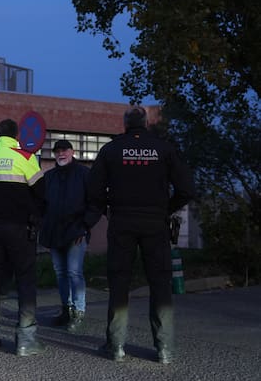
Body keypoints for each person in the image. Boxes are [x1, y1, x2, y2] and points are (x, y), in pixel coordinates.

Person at [87, 106, 195, 364]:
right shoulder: (164, 149)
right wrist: (165, 209)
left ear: (125, 124)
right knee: (160, 283)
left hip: (122, 222)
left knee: (119, 281)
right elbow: (187, 189)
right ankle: (164, 349)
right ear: (146, 123)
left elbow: (93, 191)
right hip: (155, 224)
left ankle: (116, 346)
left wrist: (108, 210)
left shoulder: (111, 150)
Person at [0, 118, 46, 356]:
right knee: (25, 281)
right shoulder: (25, 157)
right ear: (17, 136)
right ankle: (25, 341)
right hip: (20, 230)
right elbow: (42, 193)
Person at [39, 139, 101, 332]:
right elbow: (41, 205)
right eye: (57, 151)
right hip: (54, 232)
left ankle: (78, 311)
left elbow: (95, 202)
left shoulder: (84, 174)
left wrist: (85, 226)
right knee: (61, 273)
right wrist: (43, 227)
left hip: (76, 232)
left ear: (72, 152)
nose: (61, 154)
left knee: (74, 272)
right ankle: (66, 309)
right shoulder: (49, 177)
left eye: (64, 150)